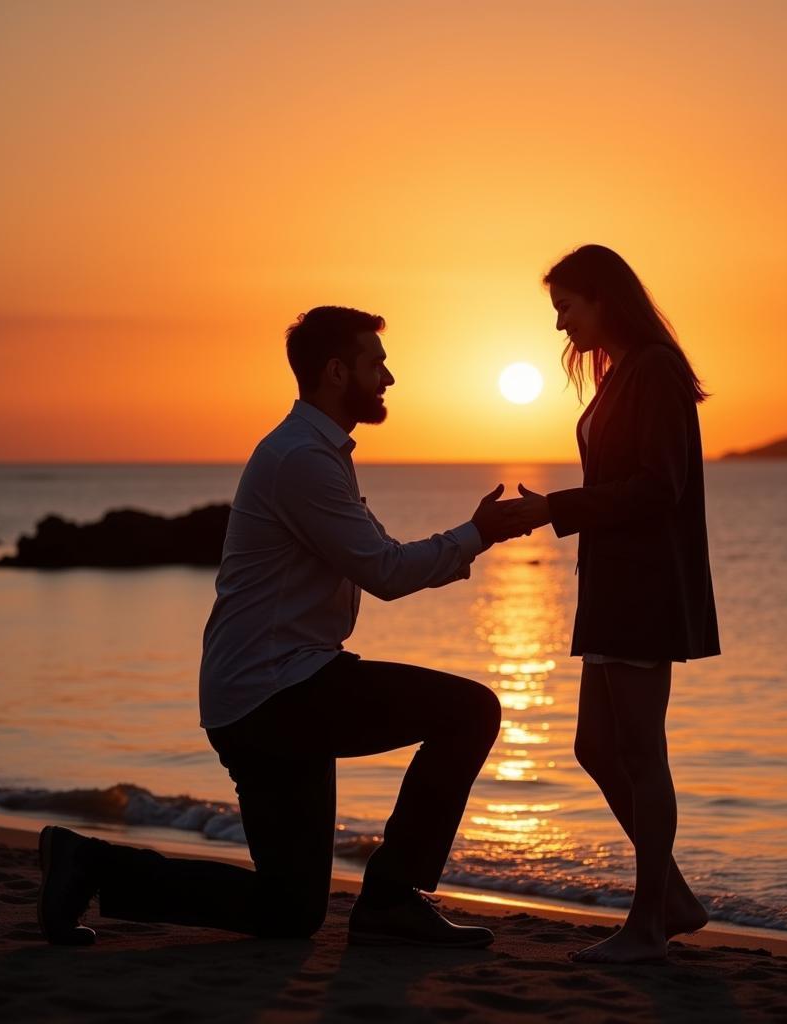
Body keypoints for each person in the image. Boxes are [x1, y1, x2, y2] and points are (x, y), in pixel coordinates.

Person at [38, 306, 532, 949]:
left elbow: (382, 558)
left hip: (269, 692)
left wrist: (470, 539)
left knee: (289, 910)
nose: (389, 376)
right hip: (277, 692)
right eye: (374, 361)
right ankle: (391, 900)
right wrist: (479, 533)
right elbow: (385, 571)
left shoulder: (316, 453)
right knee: (470, 712)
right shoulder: (301, 458)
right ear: (335, 371)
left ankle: (90, 864)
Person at [511, 245, 720, 963]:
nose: (561, 324)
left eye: (567, 307)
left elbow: (658, 486)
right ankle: (674, 897)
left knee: (639, 750)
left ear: (603, 298)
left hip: (642, 589)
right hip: (610, 585)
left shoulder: (654, 371)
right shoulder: (621, 373)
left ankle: (647, 924)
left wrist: (554, 509)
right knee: (596, 747)